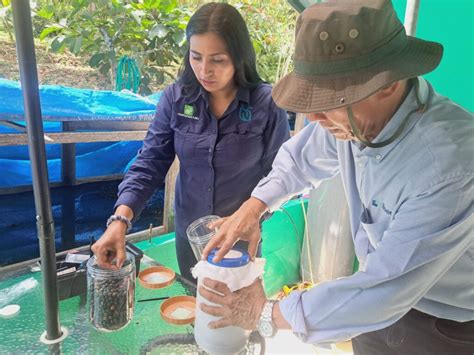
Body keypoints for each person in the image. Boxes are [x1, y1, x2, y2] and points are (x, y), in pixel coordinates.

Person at [199, 1, 474, 354]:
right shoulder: (354, 117)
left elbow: (382, 292)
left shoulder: (448, 166)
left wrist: (263, 311)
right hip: (375, 307)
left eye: (330, 99)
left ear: (387, 85)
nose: (314, 116)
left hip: (445, 326)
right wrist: (254, 209)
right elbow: (299, 160)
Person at [91, 2, 290, 281]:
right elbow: (150, 162)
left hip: (240, 236)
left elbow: (281, 173)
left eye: (217, 60)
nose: (204, 70)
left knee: (236, 312)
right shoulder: (177, 98)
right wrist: (120, 220)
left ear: (239, 57)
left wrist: (253, 216)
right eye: (196, 57)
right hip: (191, 235)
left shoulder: (266, 104)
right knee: (194, 299)